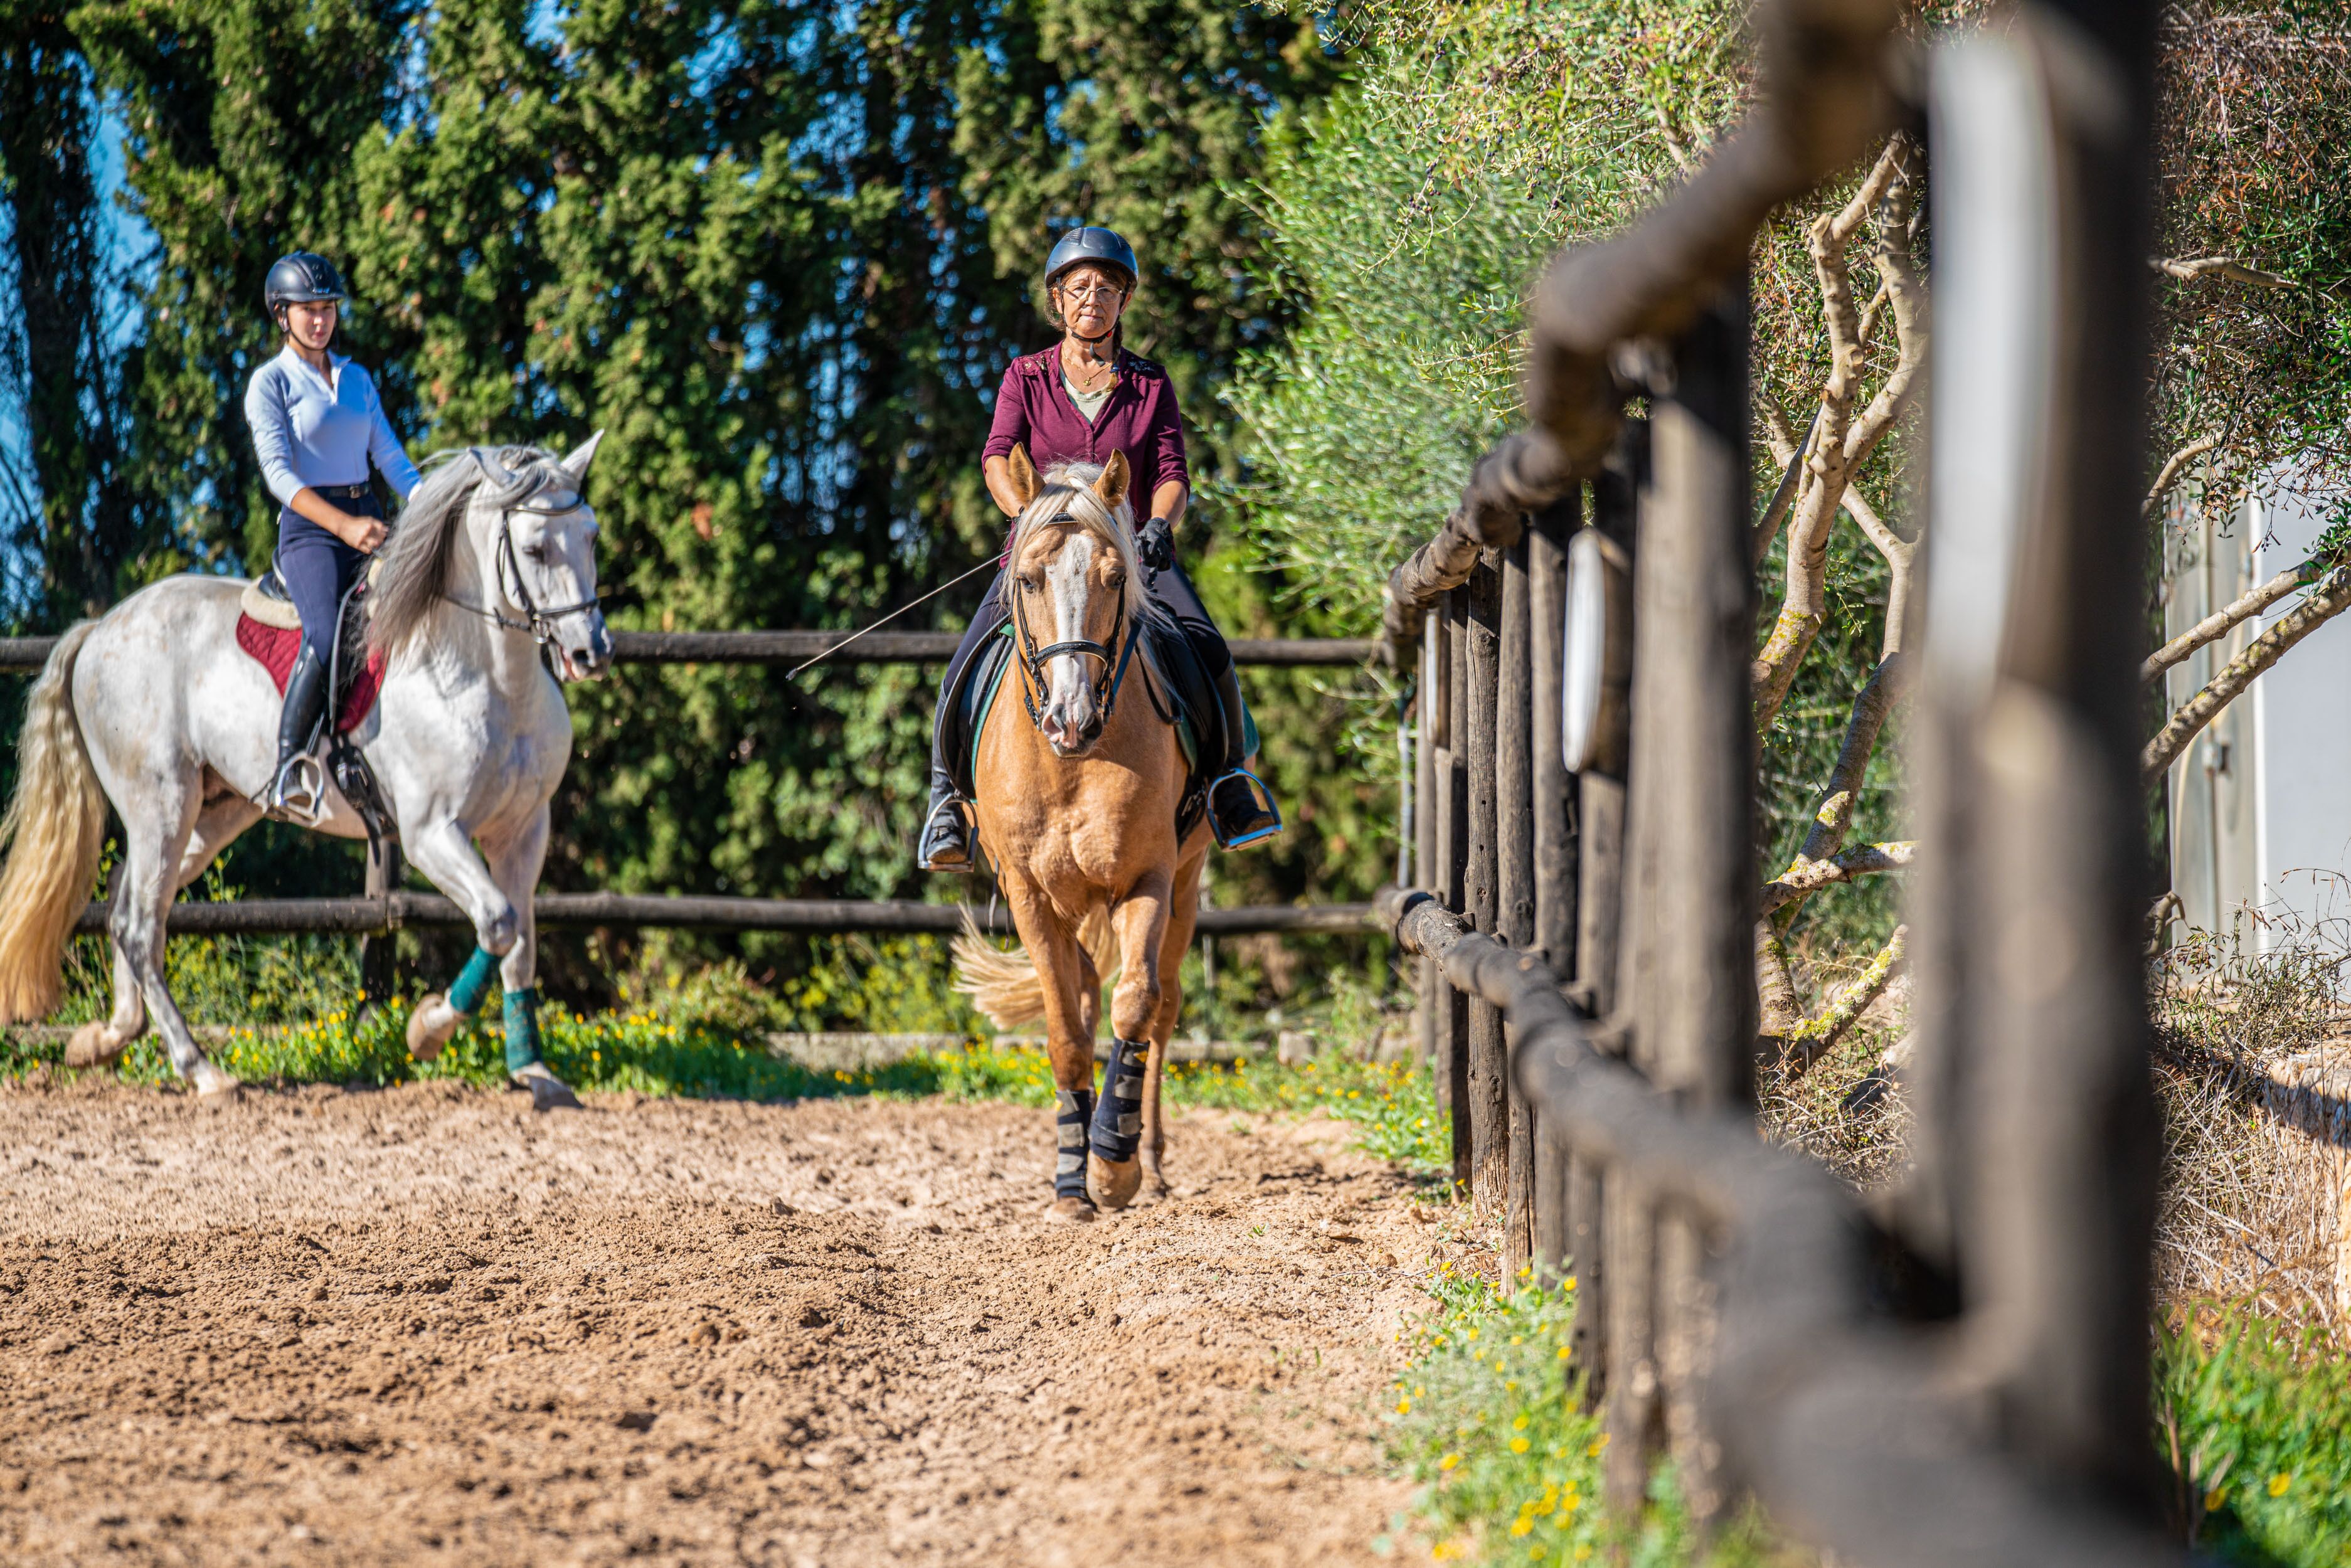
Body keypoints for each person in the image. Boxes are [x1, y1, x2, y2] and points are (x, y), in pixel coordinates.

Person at [918, 225, 1282, 872]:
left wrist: (1158, 527)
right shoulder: (1025, 376)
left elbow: (1171, 473)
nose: (1093, 297)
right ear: (1057, 300)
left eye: (1107, 287)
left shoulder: (1148, 384)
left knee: (1205, 644)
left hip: (1127, 558)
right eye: (1079, 287)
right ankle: (947, 797)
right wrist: (1028, 514)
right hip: (1045, 558)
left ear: (1124, 301)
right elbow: (998, 457)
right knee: (965, 660)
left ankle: (1227, 785)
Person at [242, 251, 422, 818]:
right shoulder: (270, 383)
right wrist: (343, 525)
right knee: (324, 635)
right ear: (282, 315)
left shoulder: (358, 379)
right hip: (312, 533)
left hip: (369, 516)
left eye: (328, 309)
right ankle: (289, 766)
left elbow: (389, 456)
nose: (320, 320)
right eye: (308, 310)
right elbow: (279, 476)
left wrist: (431, 504)